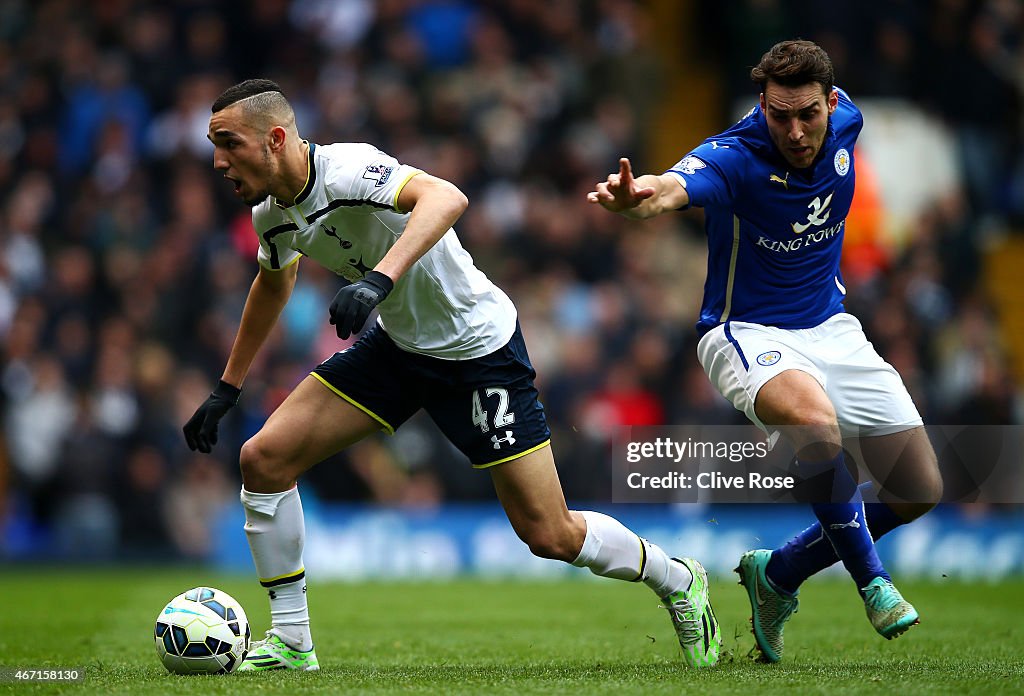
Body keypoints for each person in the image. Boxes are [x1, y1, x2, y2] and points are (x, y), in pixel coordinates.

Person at [184, 78, 721, 671]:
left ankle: (677, 578)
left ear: (276, 138)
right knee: (263, 460)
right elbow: (274, 282)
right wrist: (226, 387)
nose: (218, 161)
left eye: (228, 143)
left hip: (477, 351)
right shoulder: (271, 217)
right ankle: (291, 640)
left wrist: (378, 279)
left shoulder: (347, 170)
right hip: (397, 348)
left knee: (550, 534)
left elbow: (447, 197)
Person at [588, 40, 943, 662]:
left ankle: (779, 574)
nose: (796, 131)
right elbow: (674, 186)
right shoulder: (735, 157)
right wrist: (639, 199)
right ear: (763, 105)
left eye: (808, 114)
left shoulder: (850, 122)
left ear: (832, 103)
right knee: (813, 422)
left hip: (831, 325)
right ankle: (874, 583)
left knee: (919, 487)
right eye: (780, 116)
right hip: (745, 334)